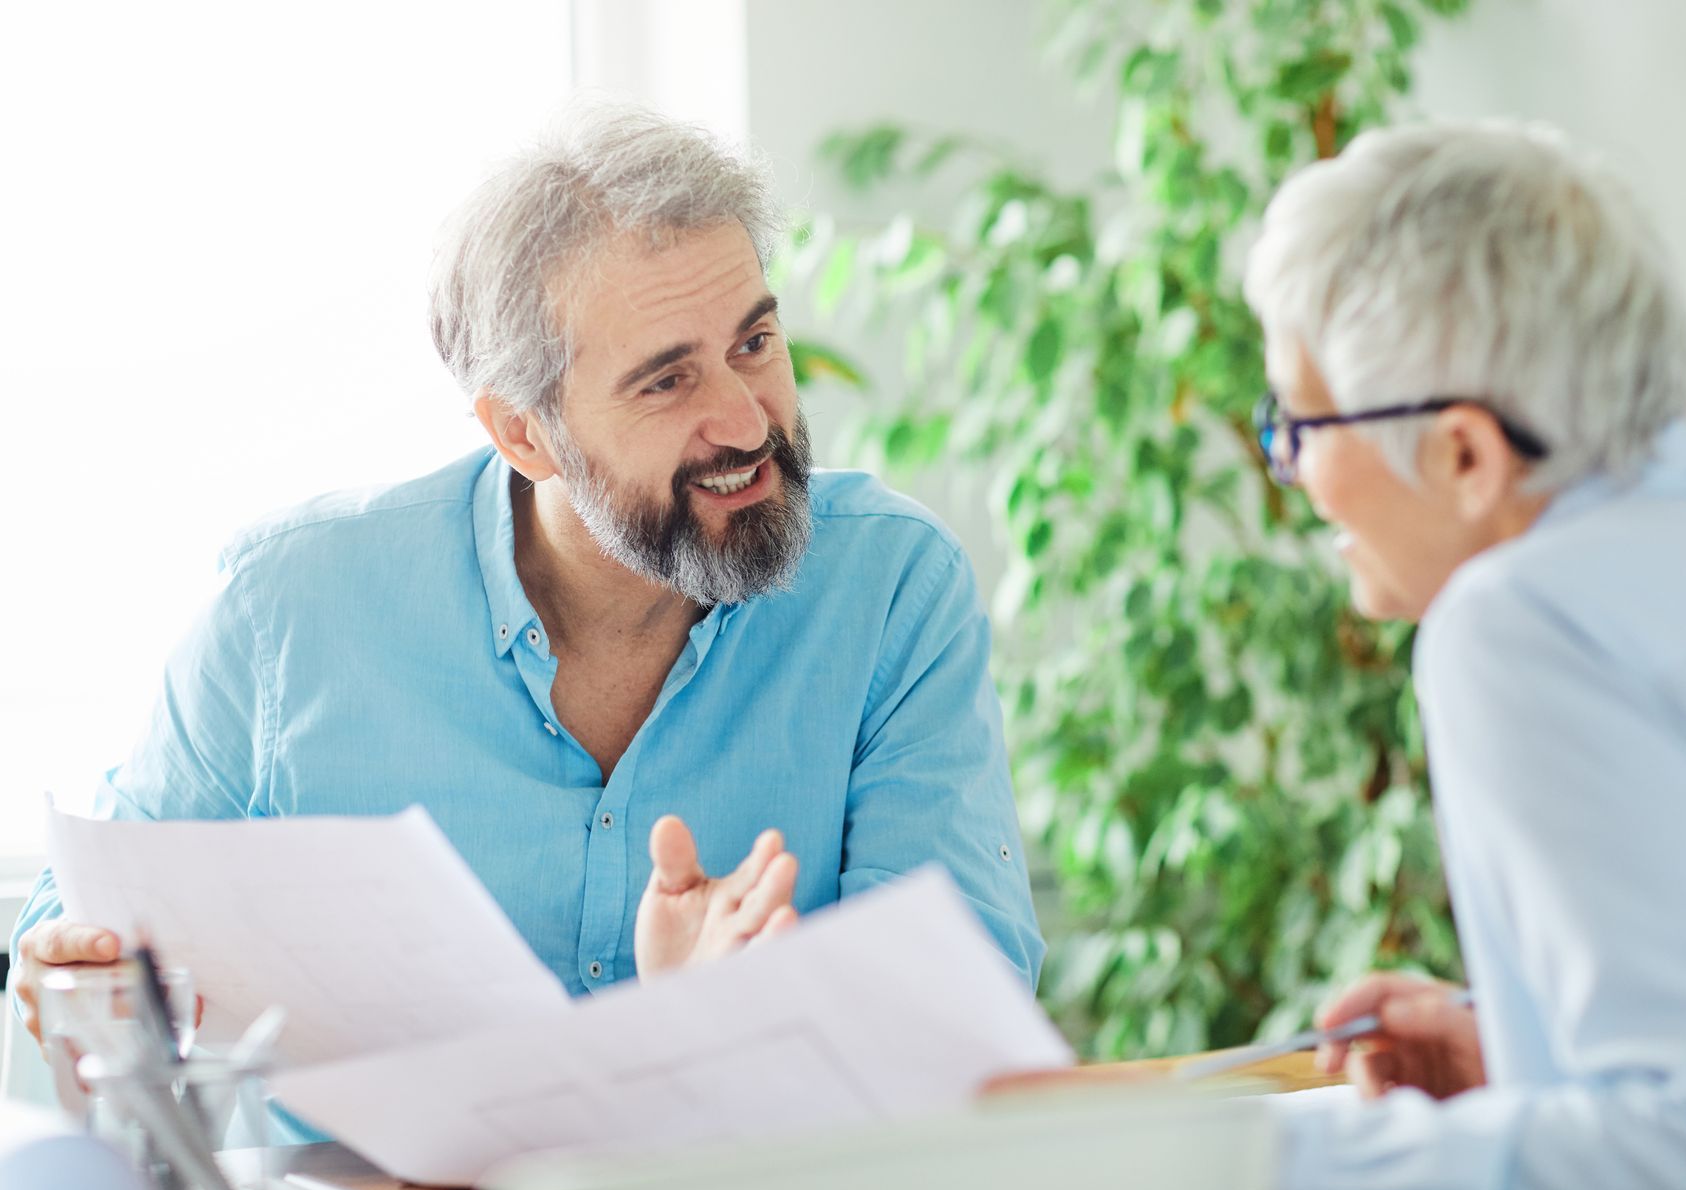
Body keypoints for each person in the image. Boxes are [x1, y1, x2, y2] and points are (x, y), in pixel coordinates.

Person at [1004, 120, 1686, 1190]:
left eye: (1299, 422)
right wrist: (1530, 1057)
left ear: (1465, 455)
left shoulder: (1521, 618)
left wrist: (1235, 1157)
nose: (1289, 471)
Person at [11, 100, 1044, 1099]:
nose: (744, 420)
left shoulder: (891, 588)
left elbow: (965, 1004)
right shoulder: (288, 615)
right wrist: (80, 974)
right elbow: (89, 923)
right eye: (666, 382)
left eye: (754, 343)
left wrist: (721, 1022)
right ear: (522, 434)